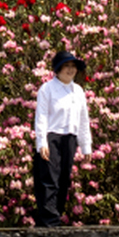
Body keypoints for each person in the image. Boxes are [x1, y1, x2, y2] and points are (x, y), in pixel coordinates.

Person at [32, 51, 92, 226]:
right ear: (58, 69)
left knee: (63, 179)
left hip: (70, 138)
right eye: (67, 66)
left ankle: (54, 215)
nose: (70, 70)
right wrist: (42, 142)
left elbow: (83, 120)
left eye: (73, 67)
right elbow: (41, 117)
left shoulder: (78, 91)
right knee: (49, 179)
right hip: (52, 137)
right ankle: (49, 219)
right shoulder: (47, 89)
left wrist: (86, 146)